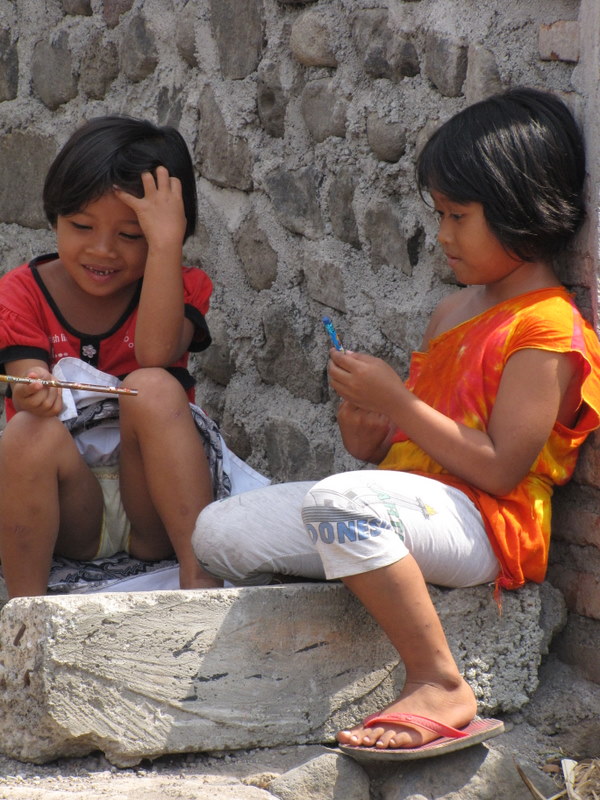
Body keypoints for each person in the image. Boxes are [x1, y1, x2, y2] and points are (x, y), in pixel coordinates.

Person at [192, 88, 600, 759]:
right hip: (414, 508)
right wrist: (370, 420)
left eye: (457, 216)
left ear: (521, 210)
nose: (442, 235)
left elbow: (501, 466)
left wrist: (401, 402)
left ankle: (440, 682)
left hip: (485, 526)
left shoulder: (549, 328)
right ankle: (366, 577)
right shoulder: (452, 312)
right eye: (438, 214)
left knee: (340, 501)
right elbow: (390, 449)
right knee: (216, 530)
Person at [0, 115, 225, 598]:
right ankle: (22, 612)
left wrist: (165, 245)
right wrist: (34, 387)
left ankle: (201, 581)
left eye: (131, 235)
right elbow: (25, 375)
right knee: (26, 430)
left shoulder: (184, 286)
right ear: (54, 216)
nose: (103, 250)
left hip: (156, 500)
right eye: (81, 225)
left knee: (154, 385)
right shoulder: (21, 291)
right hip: (69, 505)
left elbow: (156, 352)